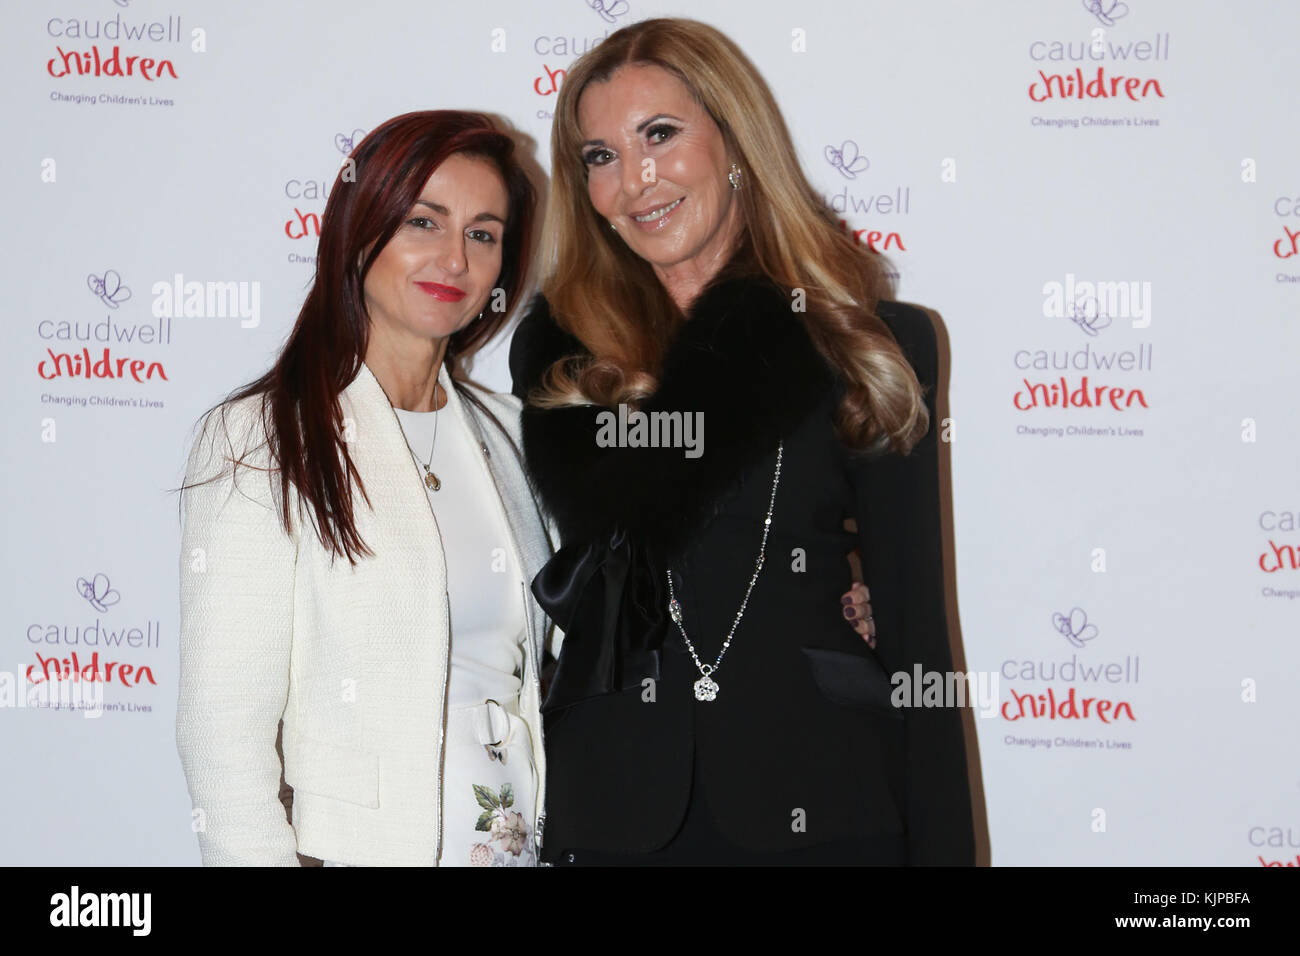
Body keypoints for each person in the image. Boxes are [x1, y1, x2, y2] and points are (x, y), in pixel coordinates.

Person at [509, 18, 976, 865]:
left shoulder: (869, 343)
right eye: (601, 155)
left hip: (825, 805)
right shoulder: (564, 355)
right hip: (613, 809)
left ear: (735, 139)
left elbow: (918, 639)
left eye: (660, 134)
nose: (634, 180)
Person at [175, 111, 555, 866]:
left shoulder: (513, 434)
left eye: (483, 234)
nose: (454, 258)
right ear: (361, 233)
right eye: (423, 222)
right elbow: (221, 728)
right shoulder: (262, 436)